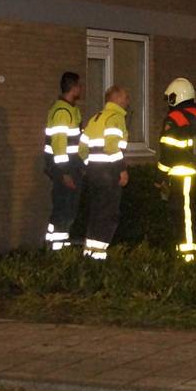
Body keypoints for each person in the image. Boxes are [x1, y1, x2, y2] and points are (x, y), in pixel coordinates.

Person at [157, 77, 196, 261]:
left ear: (177, 96)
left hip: (182, 175)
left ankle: (187, 259)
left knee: (185, 215)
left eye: (170, 98)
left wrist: (160, 175)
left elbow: (168, 150)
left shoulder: (175, 118)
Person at [79, 86, 131, 260]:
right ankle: (99, 256)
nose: (127, 101)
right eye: (125, 97)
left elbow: (82, 149)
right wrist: (121, 170)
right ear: (115, 99)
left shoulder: (95, 118)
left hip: (94, 173)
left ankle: (89, 253)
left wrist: (90, 165)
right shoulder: (116, 118)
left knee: (96, 212)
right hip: (109, 173)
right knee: (108, 214)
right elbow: (111, 147)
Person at [42, 72, 83, 251]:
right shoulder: (62, 112)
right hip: (65, 170)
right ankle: (58, 251)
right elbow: (60, 145)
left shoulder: (69, 110)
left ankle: (53, 246)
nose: (80, 89)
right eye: (79, 86)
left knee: (64, 208)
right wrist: (64, 172)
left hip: (69, 168)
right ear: (73, 87)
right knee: (65, 210)